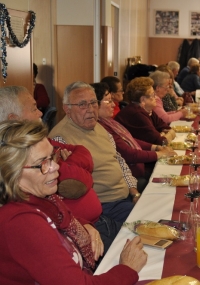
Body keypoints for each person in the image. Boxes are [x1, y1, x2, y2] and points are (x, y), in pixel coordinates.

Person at [0, 120, 147, 284]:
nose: (55, 166)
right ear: (11, 171)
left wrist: (84, 224)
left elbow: (64, 218)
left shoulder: (44, 198)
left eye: (53, 156)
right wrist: (128, 269)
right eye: (42, 163)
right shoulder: (21, 222)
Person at [0, 86, 122, 255]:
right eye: (34, 109)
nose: (41, 114)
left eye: (93, 103)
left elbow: (83, 156)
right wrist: (71, 166)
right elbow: (77, 183)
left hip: (89, 224)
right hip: (75, 235)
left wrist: (70, 162)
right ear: (14, 119)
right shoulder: (24, 160)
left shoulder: (45, 144)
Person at [49, 81, 139, 224]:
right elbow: (67, 187)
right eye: (82, 104)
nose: (90, 109)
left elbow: (119, 161)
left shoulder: (99, 127)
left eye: (93, 103)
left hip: (125, 196)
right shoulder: (61, 139)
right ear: (67, 109)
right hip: (105, 207)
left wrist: (134, 191)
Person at [93, 82, 176, 192]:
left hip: (138, 168)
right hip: (133, 175)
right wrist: (159, 153)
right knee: (169, 184)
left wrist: (155, 148)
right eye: (109, 101)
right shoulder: (103, 126)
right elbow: (128, 154)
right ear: (95, 105)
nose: (113, 104)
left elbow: (131, 140)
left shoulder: (109, 122)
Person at [115, 77, 176, 145]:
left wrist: (164, 135)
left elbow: (166, 127)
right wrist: (169, 135)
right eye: (152, 95)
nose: (155, 97)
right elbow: (161, 142)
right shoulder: (136, 114)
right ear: (143, 100)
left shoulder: (148, 110)